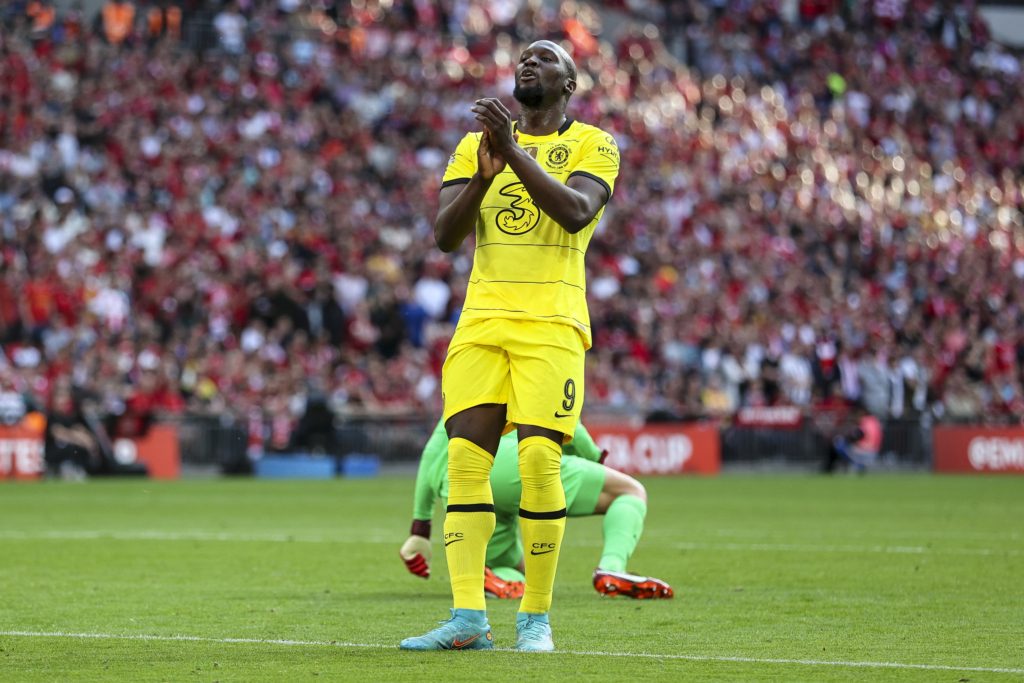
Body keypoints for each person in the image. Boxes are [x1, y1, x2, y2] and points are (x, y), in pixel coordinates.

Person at [400, 40, 620, 652]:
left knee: (539, 465)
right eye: (523, 57)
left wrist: (514, 153)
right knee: (465, 465)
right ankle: (468, 619)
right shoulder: (473, 146)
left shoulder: (595, 144)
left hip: (551, 324)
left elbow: (576, 212)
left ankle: (535, 619)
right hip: (481, 322)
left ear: (569, 84)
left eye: (546, 58)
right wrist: (484, 173)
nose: (529, 62)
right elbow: (446, 236)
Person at [399, 419, 673, 601]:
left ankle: (495, 579)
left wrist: (420, 528)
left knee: (514, 569)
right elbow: (569, 424)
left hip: (461, 482)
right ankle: (612, 567)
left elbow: (431, 454)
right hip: (514, 462)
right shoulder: (531, 365)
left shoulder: (470, 381)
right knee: (629, 491)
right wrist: (595, 459)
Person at [821, 402, 883, 474]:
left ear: (861, 411)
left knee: (838, 442)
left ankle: (855, 465)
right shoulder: (874, 421)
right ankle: (856, 465)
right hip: (874, 453)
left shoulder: (864, 421)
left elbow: (857, 435)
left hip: (864, 453)